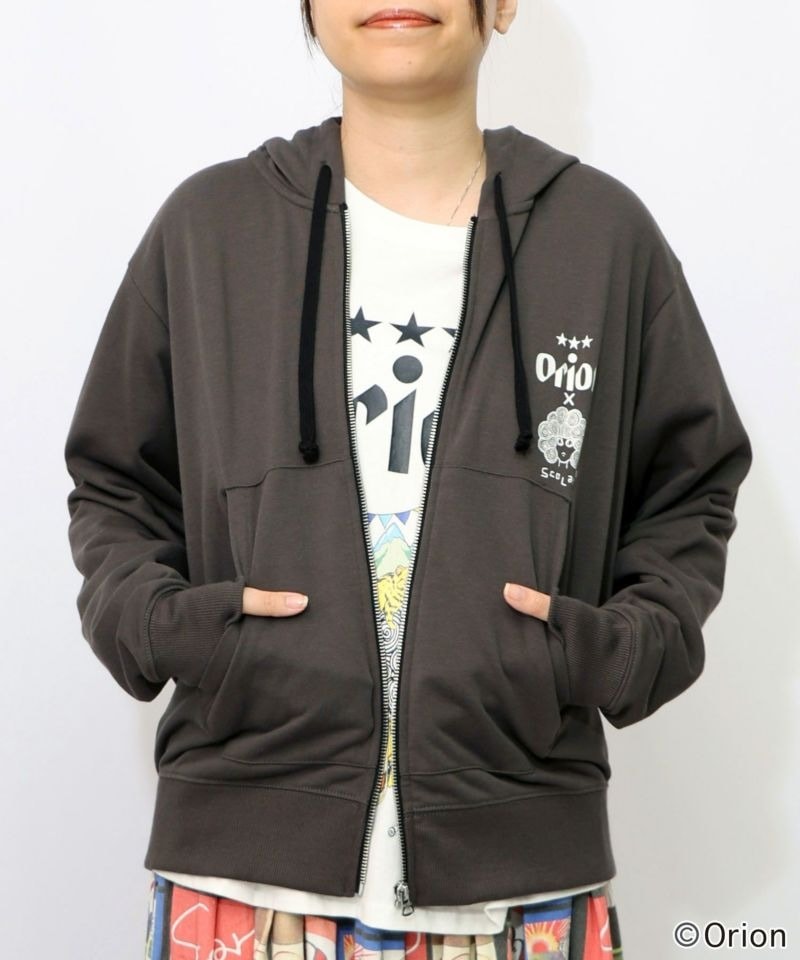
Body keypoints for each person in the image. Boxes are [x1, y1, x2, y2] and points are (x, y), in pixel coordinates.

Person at [63, 1, 753, 957]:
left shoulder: (602, 237)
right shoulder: (210, 229)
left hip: (523, 885)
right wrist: (166, 625)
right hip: (241, 881)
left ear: (502, 4)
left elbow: (692, 484)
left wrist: (617, 650)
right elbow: (114, 481)